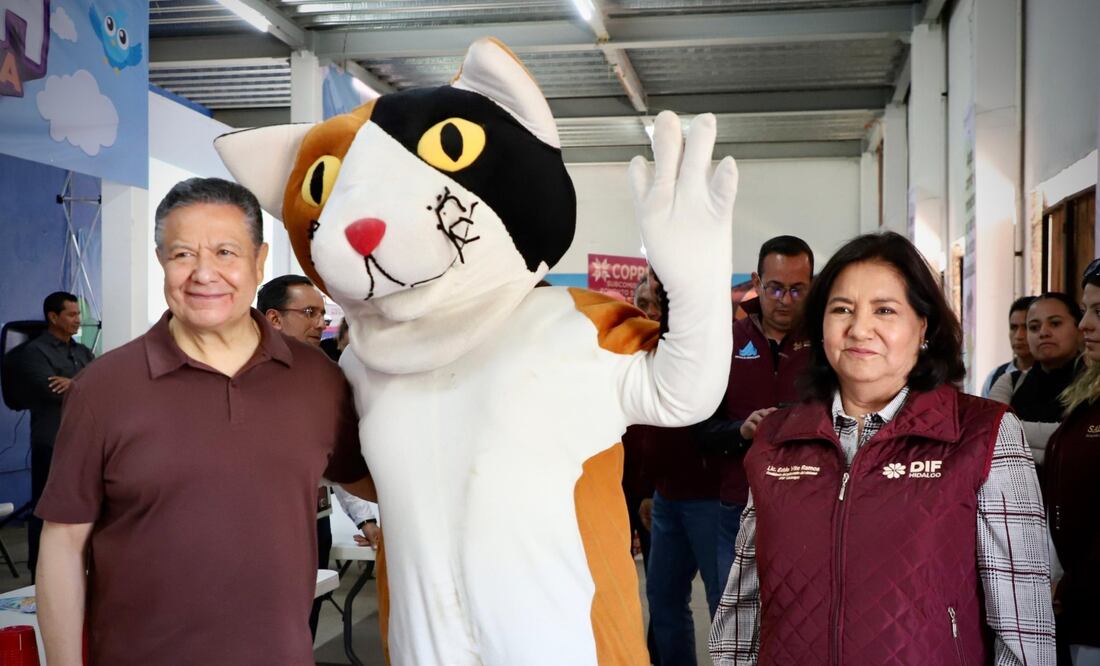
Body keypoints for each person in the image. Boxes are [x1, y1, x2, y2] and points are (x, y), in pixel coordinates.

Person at [34, 178, 373, 666]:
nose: (204, 274)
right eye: (183, 255)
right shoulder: (104, 388)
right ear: (161, 263)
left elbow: (375, 481)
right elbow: (63, 544)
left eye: (226, 253)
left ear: (259, 261)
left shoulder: (316, 380)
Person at [709, 231, 1055, 665]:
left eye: (885, 310)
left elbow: (1024, 631)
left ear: (923, 325)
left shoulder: (984, 435)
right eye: (842, 310)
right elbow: (743, 609)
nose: (859, 328)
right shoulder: (777, 439)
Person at [258, 273, 381, 640]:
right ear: (274, 318)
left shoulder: (323, 377)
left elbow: (336, 459)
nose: (319, 324)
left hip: (314, 521)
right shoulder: (244, 378)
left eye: (322, 316)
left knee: (303, 624)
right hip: (263, 525)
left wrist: (366, 520)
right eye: (309, 312)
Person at [698, 235, 813, 586]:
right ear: (757, 281)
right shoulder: (725, 340)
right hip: (738, 507)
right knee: (731, 619)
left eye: (797, 290)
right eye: (775, 288)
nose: (785, 301)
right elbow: (701, 431)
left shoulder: (827, 345)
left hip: (807, 509)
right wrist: (741, 431)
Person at [641, 269, 724, 666]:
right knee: (663, 599)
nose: (658, 300)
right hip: (666, 496)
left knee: (721, 604)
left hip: (708, 497)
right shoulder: (649, 343)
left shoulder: (708, 342)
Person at [9, 291, 95, 580]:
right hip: (52, 441)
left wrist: (73, 384)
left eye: (78, 315)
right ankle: (40, 573)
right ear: (53, 317)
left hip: (85, 441)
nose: (77, 320)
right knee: (46, 510)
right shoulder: (33, 353)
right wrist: (81, 386)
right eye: (71, 315)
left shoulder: (82, 352)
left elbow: (102, 385)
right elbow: (51, 391)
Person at [1044, 259, 1100, 666]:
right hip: (1080, 610)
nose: (1085, 324)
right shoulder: (1088, 389)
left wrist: (1072, 589)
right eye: (1086, 309)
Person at [989, 292, 1082, 466]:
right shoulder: (1009, 382)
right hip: (1020, 489)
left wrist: (1016, 442)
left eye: (1055, 323)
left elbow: (1082, 441)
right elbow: (991, 433)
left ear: (1080, 329)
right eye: (1034, 327)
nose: (1043, 333)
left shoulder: (1093, 385)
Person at [980, 296, 1036, 397]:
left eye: (1027, 327)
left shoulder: (1051, 377)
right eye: (1013, 328)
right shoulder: (995, 376)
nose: (1019, 336)